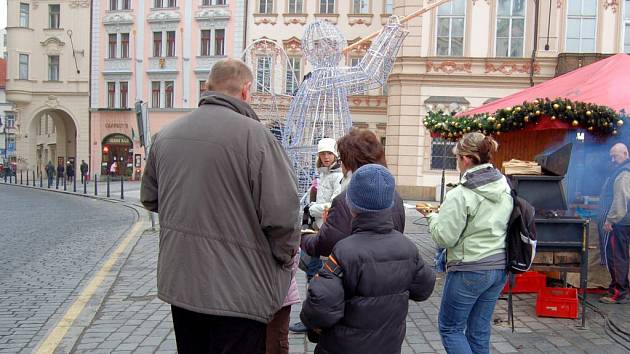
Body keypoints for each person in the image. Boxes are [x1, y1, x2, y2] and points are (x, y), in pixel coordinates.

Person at [141, 58, 300, 353]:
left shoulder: (165, 136)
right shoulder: (258, 138)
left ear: (207, 88)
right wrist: (285, 260)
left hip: (183, 282)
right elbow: (283, 217)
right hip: (240, 289)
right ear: (246, 90)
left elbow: (150, 197)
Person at [300, 164, 436, 354]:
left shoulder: (344, 251)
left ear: (351, 205)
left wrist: (312, 323)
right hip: (388, 346)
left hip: (343, 347)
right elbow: (424, 289)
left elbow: (320, 308)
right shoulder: (408, 247)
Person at [292, 129, 406, 334]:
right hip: (387, 290)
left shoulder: (348, 197)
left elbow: (327, 242)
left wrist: (305, 236)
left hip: (354, 287)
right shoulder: (395, 196)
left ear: (349, 161)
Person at [418, 132, 512, 354]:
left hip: (470, 268)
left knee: (450, 329)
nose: (457, 163)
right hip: (499, 267)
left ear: (467, 158)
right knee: (479, 331)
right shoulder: (504, 185)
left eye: (457, 158)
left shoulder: (461, 194)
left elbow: (445, 237)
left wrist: (431, 217)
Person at [599, 143, 630, 304]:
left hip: (620, 223)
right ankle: (619, 288)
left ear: (625, 153)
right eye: (611, 156)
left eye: (615, 156)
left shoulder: (624, 173)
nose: (612, 159)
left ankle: (619, 292)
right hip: (624, 221)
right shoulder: (624, 170)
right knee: (620, 256)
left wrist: (611, 219)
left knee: (616, 257)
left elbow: (621, 199)